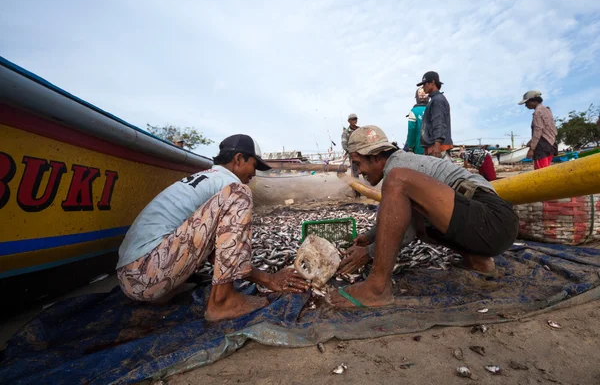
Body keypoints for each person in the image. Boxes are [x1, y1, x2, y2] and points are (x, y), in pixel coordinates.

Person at [116, 134, 309, 321]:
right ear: (239, 159)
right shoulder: (229, 183)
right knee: (240, 193)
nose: (254, 173)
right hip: (146, 271)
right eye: (254, 165)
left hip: (133, 278)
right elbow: (221, 255)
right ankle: (223, 301)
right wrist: (268, 279)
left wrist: (267, 279)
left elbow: (218, 253)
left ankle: (173, 292)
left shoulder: (208, 178)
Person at [331, 126, 518, 308]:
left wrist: (369, 253)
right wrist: (370, 237)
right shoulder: (404, 163)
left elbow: (403, 232)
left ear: (375, 156)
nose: (359, 171)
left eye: (357, 163)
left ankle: (377, 289)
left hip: (492, 220)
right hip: (492, 229)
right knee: (423, 226)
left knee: (397, 180)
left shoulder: (397, 168)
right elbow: (401, 222)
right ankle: (479, 261)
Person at [417, 71, 453, 159]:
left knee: (441, 172)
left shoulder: (438, 100)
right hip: (434, 147)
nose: (423, 87)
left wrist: (437, 144)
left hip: (438, 148)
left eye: (425, 83)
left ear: (433, 82)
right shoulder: (434, 100)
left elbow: (439, 122)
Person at [518, 90, 558, 170]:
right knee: (546, 170)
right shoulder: (547, 110)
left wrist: (531, 149)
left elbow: (538, 131)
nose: (526, 105)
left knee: (540, 173)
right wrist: (531, 142)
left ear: (533, 100)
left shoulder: (537, 112)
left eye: (526, 103)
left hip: (542, 146)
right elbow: (548, 129)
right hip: (551, 143)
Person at [403, 87, 428, 154]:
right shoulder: (433, 110)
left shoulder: (414, 111)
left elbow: (411, 130)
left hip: (419, 149)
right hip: (433, 148)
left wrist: (410, 147)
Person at [341, 113, 361, 198]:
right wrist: (351, 153)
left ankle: (369, 192)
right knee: (355, 174)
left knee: (366, 174)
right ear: (349, 121)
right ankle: (357, 194)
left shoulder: (360, 130)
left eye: (356, 119)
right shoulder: (346, 133)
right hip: (354, 156)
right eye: (353, 119)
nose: (355, 120)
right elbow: (344, 145)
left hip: (363, 154)